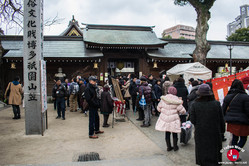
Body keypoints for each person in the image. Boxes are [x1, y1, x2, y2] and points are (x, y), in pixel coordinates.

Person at [190, 84, 225, 166]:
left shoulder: (194, 104)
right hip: (214, 133)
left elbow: (193, 120)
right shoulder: (216, 104)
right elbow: (221, 119)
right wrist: (222, 131)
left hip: (200, 132)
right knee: (215, 153)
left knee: (202, 152)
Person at [222, 79, 249, 161]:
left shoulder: (228, 96)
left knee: (234, 137)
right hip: (243, 121)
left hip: (231, 121)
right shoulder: (245, 97)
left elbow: (223, 110)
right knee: (243, 138)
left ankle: (233, 155)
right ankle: (234, 152)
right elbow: (248, 111)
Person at [155, 86, 186, 151]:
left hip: (165, 118)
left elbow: (158, 108)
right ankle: (175, 147)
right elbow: (183, 111)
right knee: (174, 132)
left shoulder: (163, 99)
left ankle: (168, 147)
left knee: (167, 133)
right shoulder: (177, 100)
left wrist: (163, 111)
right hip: (174, 119)